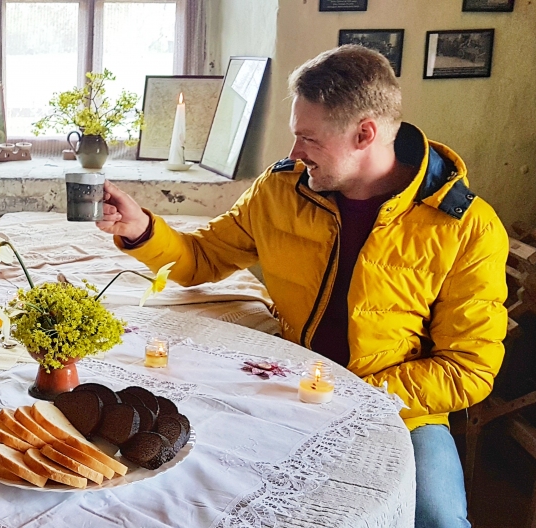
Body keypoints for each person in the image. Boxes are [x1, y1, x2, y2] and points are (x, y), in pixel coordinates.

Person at [97, 45, 507, 528]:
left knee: (439, 520)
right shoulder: (280, 190)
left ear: (364, 134)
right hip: (282, 386)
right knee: (189, 492)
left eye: (308, 138)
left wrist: (353, 396)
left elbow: (469, 369)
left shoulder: (467, 227)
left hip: (401, 410)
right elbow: (201, 258)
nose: (294, 152)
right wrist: (142, 229)